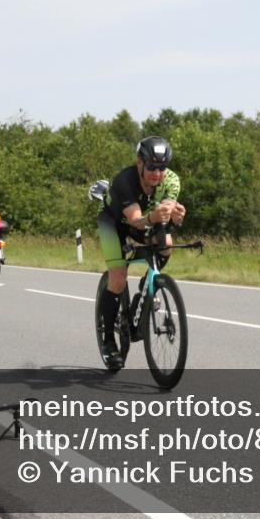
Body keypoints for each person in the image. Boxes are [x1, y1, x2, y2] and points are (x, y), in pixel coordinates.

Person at [97, 136, 186, 366]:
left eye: (162, 168)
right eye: (152, 167)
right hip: (115, 222)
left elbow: (164, 212)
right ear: (139, 163)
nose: (158, 173)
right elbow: (136, 220)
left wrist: (175, 216)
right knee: (118, 276)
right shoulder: (124, 181)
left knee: (165, 243)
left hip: (144, 220)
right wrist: (154, 217)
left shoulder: (172, 181)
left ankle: (149, 286)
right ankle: (108, 342)